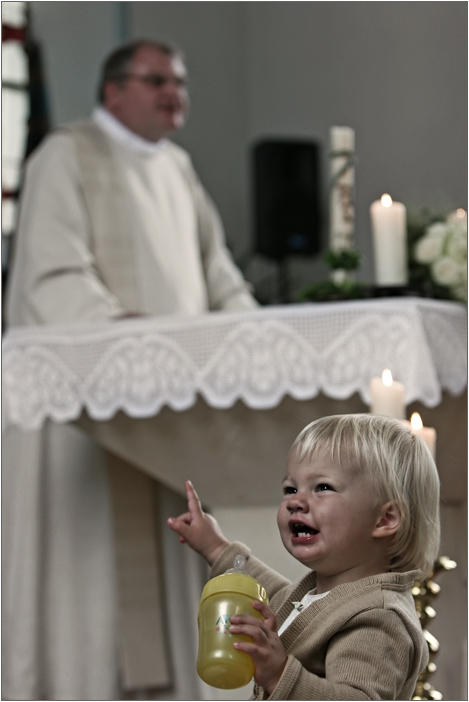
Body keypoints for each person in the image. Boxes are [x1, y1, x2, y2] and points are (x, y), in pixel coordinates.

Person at [3, 38, 257, 702]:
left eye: (179, 82)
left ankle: (170, 683)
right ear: (113, 90)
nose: (174, 92)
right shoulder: (66, 153)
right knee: (92, 560)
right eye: (156, 80)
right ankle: (76, 682)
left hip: (169, 405)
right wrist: (128, 342)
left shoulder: (177, 167)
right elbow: (52, 274)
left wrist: (251, 330)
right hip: (89, 407)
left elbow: (217, 272)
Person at [168, 413, 441, 700]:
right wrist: (215, 546)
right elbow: (271, 595)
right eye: (290, 488)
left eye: (322, 487)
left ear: (384, 519)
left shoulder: (378, 618)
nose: (296, 501)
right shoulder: (326, 594)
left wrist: (279, 674)